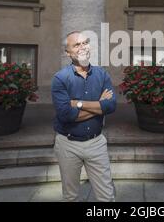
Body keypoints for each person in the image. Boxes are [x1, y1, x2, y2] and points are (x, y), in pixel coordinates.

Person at [52, 31, 116, 202]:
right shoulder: (60, 78)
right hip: (68, 144)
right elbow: (65, 115)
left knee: (107, 197)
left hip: (96, 143)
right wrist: (98, 106)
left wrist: (78, 104)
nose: (82, 47)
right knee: (71, 197)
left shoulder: (102, 75)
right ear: (68, 52)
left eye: (84, 43)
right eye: (76, 45)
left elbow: (110, 106)